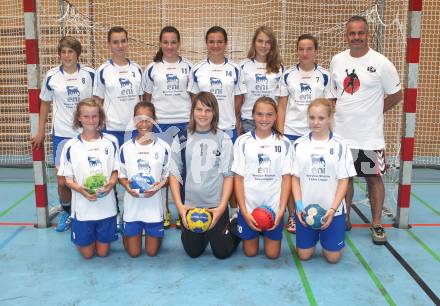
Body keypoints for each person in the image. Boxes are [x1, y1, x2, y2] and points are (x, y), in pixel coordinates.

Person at [329, 16, 402, 244]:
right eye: (352, 33)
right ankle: (346, 219)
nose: (357, 37)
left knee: (373, 178)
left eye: (361, 33)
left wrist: (375, 112)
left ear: (367, 34)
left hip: (369, 136)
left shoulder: (381, 62)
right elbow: (332, 95)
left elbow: (397, 94)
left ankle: (377, 223)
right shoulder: (337, 61)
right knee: (346, 179)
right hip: (343, 135)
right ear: (347, 35)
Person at [31, 36, 95, 232]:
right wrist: (40, 129)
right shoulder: (52, 76)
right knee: (62, 181)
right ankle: (67, 211)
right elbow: (45, 104)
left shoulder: (90, 74)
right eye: (63, 52)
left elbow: (98, 102)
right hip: (61, 136)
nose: (66, 56)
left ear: (77, 54)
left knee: (89, 176)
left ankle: (92, 212)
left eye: (70, 52)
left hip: (86, 135)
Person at [169, 92, 240, 259]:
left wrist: (222, 207)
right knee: (193, 252)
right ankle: (205, 235)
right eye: (199, 109)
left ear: (214, 112)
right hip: (190, 207)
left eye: (208, 110)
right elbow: (174, 174)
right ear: (192, 111)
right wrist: (180, 207)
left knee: (222, 252)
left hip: (215, 206)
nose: (203, 114)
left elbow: (228, 176)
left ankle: (234, 224)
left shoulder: (223, 139)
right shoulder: (181, 138)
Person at [277, 34, 334, 234]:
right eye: (301, 49)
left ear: (315, 51)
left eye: (309, 49)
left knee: (315, 176)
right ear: (297, 51)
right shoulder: (288, 74)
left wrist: (328, 133)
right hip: (292, 134)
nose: (305, 53)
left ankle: (321, 213)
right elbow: (282, 106)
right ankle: (294, 216)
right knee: (294, 178)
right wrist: (281, 133)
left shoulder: (325, 75)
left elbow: (329, 106)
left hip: (316, 136)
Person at [292, 98, 356, 263]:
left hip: (333, 212)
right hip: (306, 212)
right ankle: (313, 237)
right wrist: (299, 208)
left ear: (330, 118)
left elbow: (344, 181)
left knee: (333, 258)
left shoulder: (341, 145)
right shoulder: (299, 145)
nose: (316, 122)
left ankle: (330, 238)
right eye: (312, 117)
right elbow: (295, 178)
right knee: (304, 256)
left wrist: (333, 210)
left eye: (321, 118)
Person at [143, 26, 192, 229]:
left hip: (184, 123)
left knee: (184, 170)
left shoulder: (188, 67)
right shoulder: (152, 68)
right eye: (166, 42)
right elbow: (146, 100)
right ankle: (163, 211)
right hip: (160, 124)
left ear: (178, 44)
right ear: (160, 43)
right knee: (161, 169)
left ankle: (183, 211)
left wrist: (192, 123)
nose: (169, 46)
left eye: (173, 42)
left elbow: (194, 96)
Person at [58, 98, 119, 259]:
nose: (91, 120)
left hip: (106, 206)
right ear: (79, 118)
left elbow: (116, 171)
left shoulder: (111, 142)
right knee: (87, 254)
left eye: (94, 116)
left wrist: (111, 183)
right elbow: (67, 180)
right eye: (86, 116)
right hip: (83, 208)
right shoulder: (70, 146)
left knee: (103, 253)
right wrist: (81, 190)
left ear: (100, 117)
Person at [232, 97, 291, 259]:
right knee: (250, 253)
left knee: (273, 255)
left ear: (275, 116)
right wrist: (243, 211)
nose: (264, 119)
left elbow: (287, 179)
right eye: (259, 114)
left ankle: (265, 233)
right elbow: (238, 178)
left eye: (269, 114)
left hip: (273, 208)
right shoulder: (242, 142)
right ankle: (236, 223)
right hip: (249, 208)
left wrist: (281, 209)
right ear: (252, 116)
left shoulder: (284, 143)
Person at [118, 102, 170, 257]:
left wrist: (158, 185)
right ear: (134, 120)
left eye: (148, 119)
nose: (144, 124)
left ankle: (156, 233)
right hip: (133, 206)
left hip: (153, 207)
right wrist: (127, 186)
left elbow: (168, 177)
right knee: (133, 253)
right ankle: (126, 230)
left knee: (151, 252)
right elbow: (121, 176)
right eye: (140, 119)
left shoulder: (164, 148)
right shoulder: (125, 148)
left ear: (154, 121)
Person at [188, 26, 246, 143]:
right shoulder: (197, 69)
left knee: (228, 161)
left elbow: (239, 99)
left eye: (219, 42)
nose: (215, 45)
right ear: (206, 43)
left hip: (228, 128)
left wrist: (230, 118)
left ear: (226, 43)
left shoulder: (236, 68)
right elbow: (195, 99)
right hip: (204, 128)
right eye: (211, 42)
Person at [93, 26, 143, 147]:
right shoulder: (102, 70)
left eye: (123, 41)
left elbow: (141, 100)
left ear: (127, 42)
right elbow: (97, 101)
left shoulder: (137, 69)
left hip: (134, 129)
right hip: (111, 129)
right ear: (109, 44)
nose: (120, 46)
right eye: (115, 42)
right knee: (112, 166)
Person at [238, 26, 283, 134]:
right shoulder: (242, 66)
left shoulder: (279, 67)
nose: (263, 45)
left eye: (268, 42)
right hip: (248, 120)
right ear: (254, 43)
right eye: (260, 41)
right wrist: (237, 122)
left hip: (270, 121)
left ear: (272, 45)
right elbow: (238, 98)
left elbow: (281, 100)